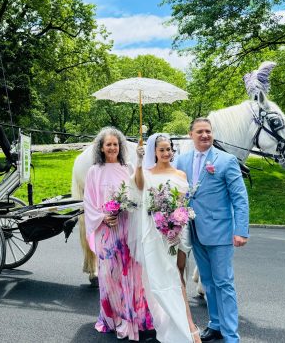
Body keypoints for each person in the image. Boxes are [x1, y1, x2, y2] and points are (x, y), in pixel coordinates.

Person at [176, 118, 249, 343]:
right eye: (200, 131)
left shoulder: (226, 160)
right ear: (190, 135)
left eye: (208, 131)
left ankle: (230, 335)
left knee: (224, 283)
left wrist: (241, 230)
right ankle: (215, 325)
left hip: (220, 232)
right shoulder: (182, 160)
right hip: (194, 230)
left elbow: (240, 197)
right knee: (207, 282)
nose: (205, 135)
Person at [83, 127, 155, 341]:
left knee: (130, 272)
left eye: (115, 144)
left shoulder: (128, 167)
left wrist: (140, 162)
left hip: (127, 228)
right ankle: (112, 317)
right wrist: (103, 217)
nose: (112, 147)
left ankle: (131, 317)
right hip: (105, 230)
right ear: (101, 148)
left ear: (120, 147)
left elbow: (139, 191)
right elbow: (89, 201)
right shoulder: (94, 171)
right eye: (108, 144)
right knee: (109, 275)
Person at [128, 133, 201, 343]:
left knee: (179, 273)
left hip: (179, 230)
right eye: (161, 150)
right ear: (155, 152)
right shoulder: (147, 173)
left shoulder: (180, 174)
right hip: (158, 232)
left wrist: (178, 222)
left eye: (168, 149)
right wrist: (139, 162)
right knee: (169, 276)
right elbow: (138, 187)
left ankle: (182, 322)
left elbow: (182, 202)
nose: (166, 153)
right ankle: (189, 327)